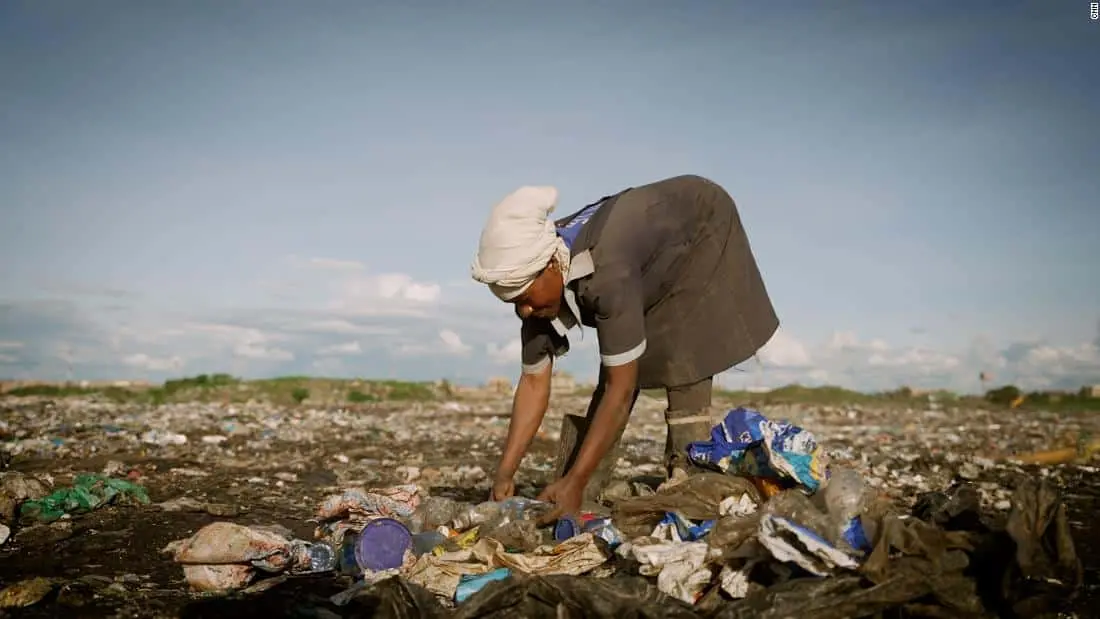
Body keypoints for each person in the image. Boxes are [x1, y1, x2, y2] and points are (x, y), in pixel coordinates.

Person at [470, 174, 778, 520]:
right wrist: (505, 474)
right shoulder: (533, 271)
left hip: (700, 223)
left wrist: (575, 481)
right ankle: (583, 483)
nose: (524, 310)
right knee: (621, 355)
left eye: (525, 298)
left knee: (680, 351)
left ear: (551, 266)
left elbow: (620, 385)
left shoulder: (605, 270)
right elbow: (533, 382)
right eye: (514, 303)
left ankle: (686, 471)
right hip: (642, 247)